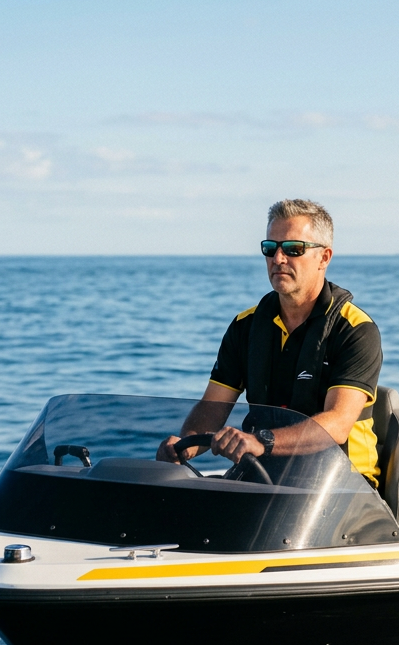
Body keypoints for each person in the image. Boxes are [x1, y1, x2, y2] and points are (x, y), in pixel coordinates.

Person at [156, 199, 383, 482]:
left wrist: (262, 441)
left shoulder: (355, 329)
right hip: (267, 474)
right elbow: (212, 407)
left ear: (324, 258)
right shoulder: (245, 326)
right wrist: (185, 446)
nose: (278, 259)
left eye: (293, 249)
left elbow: (337, 423)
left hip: (344, 485)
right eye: (270, 248)